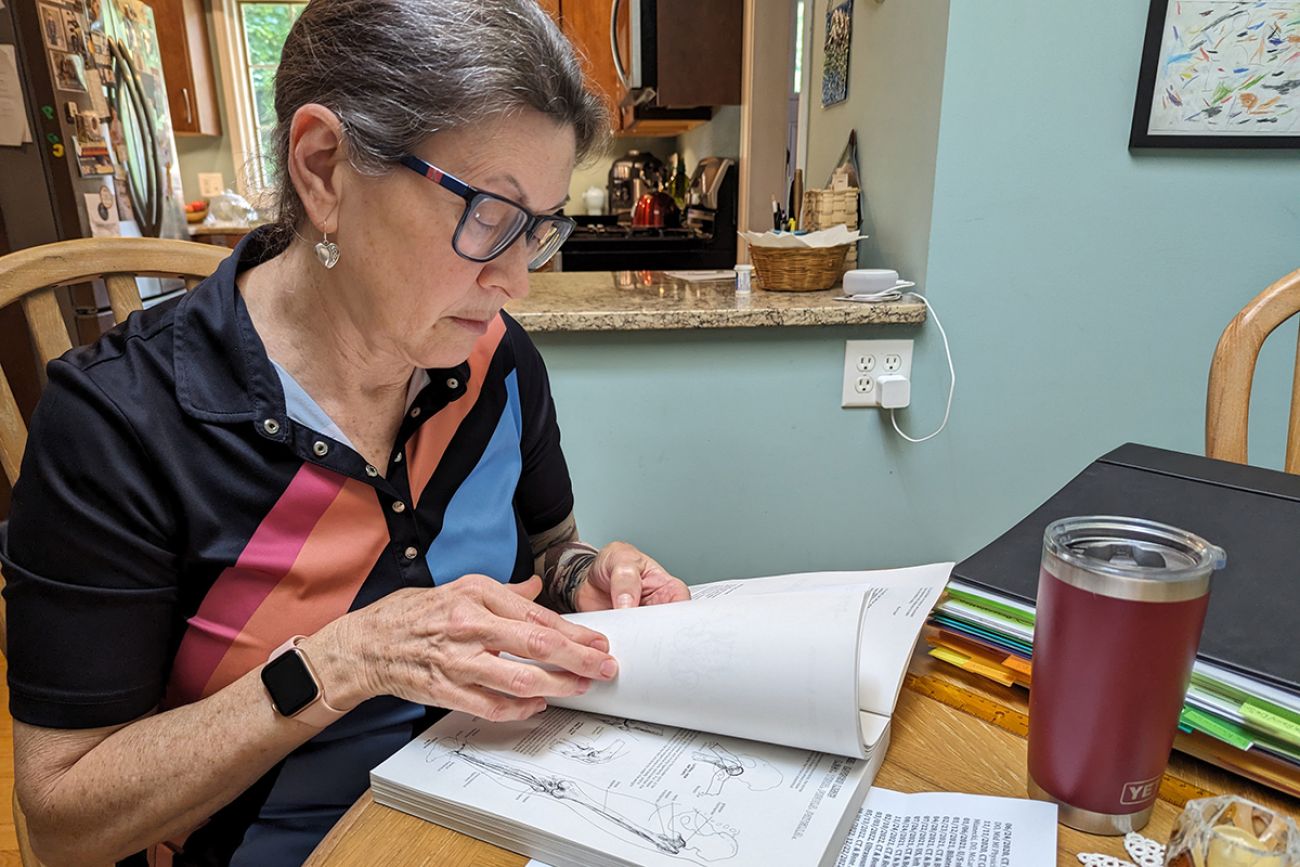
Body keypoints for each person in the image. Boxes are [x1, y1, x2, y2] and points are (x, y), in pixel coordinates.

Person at [0, 1, 690, 864]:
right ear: (324, 168)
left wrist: (593, 577)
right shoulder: (120, 422)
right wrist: (345, 659)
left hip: (502, 817)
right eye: (488, 213)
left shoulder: (495, 364)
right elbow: (62, 821)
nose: (515, 279)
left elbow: (549, 554)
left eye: (540, 228)